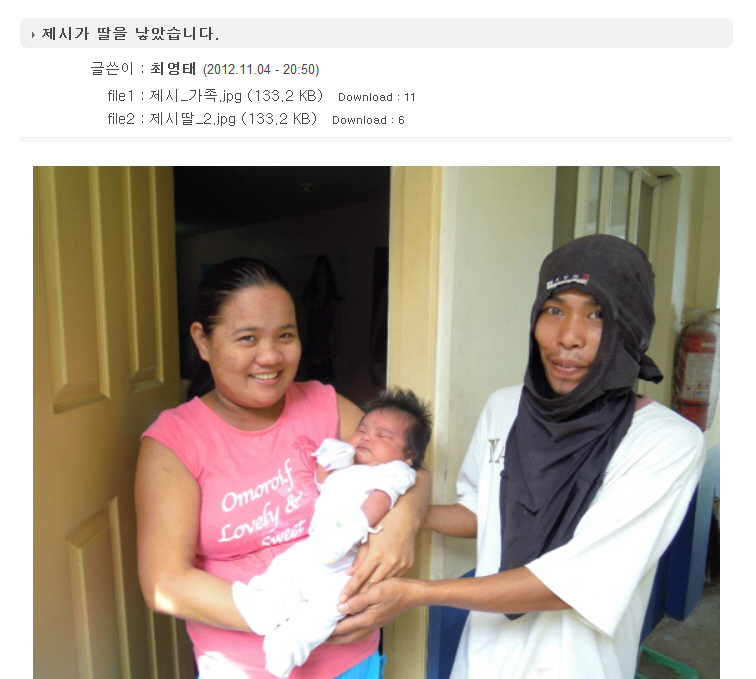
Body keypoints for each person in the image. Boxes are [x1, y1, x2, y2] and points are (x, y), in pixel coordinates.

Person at [332, 235, 706, 679]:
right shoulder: (504, 407)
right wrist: (402, 512)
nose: (568, 338)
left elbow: (576, 582)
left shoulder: (665, 441)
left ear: (633, 326)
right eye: (554, 310)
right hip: (481, 659)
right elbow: (483, 511)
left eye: (598, 315)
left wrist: (416, 593)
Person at [135, 257, 431, 679]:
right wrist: (299, 617)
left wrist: (402, 524)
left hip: (351, 659)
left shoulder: (323, 404)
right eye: (247, 338)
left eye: (286, 335)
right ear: (203, 341)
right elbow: (165, 583)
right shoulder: (175, 442)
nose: (271, 356)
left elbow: (409, 468)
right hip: (242, 667)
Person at [232, 388, 432, 678]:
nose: (367, 437)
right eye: (362, 430)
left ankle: (292, 645)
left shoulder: (396, 471)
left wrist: (355, 525)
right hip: (317, 545)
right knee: (286, 569)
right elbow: (323, 484)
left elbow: (383, 498)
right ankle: (268, 606)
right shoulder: (348, 468)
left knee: (332, 605)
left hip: (350, 559)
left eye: (383, 436)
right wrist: (328, 459)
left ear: (409, 455)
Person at [300, 255, 342, 384]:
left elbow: (337, 335)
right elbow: (305, 330)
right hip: (309, 357)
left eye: (324, 275)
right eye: (319, 275)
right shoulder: (309, 302)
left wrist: (331, 358)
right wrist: (304, 356)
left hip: (325, 359)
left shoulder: (333, 303)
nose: (321, 279)